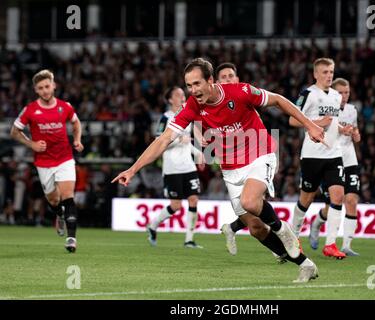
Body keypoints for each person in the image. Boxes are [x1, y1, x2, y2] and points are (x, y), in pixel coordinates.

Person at [112, 58, 324, 282]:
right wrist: (133, 169)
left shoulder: (240, 91)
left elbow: (279, 100)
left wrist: (310, 125)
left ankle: (283, 231)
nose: (193, 90)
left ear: (210, 81)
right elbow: (164, 139)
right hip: (230, 168)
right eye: (189, 86)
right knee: (255, 228)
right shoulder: (192, 106)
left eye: (197, 84)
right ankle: (306, 265)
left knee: (250, 201)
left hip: (260, 153)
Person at [215, 62, 288, 263]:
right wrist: (199, 136)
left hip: (256, 159)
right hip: (231, 170)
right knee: (255, 227)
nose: (228, 79)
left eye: (231, 76)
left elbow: (269, 116)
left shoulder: (244, 100)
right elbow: (195, 121)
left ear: (238, 80)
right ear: (215, 82)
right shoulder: (208, 105)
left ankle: (287, 249)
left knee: (254, 203)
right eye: (224, 77)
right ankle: (233, 227)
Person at [10, 69, 83, 253]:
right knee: (53, 199)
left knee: (68, 196)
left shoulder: (64, 107)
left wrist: (77, 140)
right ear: (36, 90)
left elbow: (76, 123)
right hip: (43, 163)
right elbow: (14, 132)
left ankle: (71, 238)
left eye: (47, 86)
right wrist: (31, 144)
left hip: (65, 158)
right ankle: (59, 215)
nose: (45, 90)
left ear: (54, 85)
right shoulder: (30, 110)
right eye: (41, 88)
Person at [290, 58, 353, 260]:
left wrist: (342, 129)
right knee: (306, 199)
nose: (328, 75)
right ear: (316, 74)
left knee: (338, 197)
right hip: (312, 155)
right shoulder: (308, 94)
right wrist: (318, 122)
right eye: (325, 72)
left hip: (334, 154)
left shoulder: (336, 96)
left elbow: (332, 124)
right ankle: (292, 239)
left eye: (331, 72)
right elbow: (292, 119)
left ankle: (331, 244)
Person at [147, 86, 205, 249]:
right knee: (176, 205)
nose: (182, 97)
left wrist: (198, 153)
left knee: (194, 199)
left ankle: (189, 240)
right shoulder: (166, 118)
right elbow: (159, 141)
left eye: (182, 94)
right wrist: (179, 141)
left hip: (188, 166)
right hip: (172, 168)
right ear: (170, 100)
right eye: (178, 95)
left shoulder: (187, 116)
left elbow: (187, 143)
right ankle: (153, 225)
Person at [309, 78, 361, 256]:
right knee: (332, 204)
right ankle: (316, 223)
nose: (344, 96)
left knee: (351, 200)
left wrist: (355, 134)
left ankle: (346, 245)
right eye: (341, 92)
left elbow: (356, 133)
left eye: (347, 92)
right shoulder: (326, 108)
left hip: (349, 158)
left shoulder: (352, 110)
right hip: (330, 157)